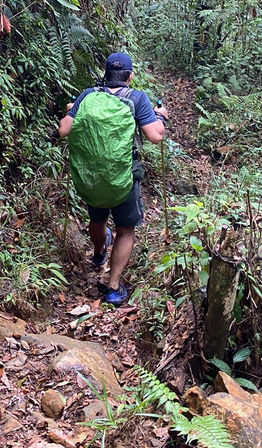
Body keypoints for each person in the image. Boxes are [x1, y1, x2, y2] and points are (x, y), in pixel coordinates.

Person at [57, 52, 169, 305]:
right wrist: (159, 116)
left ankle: (98, 253)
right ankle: (113, 287)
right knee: (125, 229)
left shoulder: (87, 95)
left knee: (97, 219)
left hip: (91, 175)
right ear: (130, 76)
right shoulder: (137, 98)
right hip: (122, 176)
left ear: (105, 75)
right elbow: (155, 136)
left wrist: (72, 110)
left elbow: (64, 130)